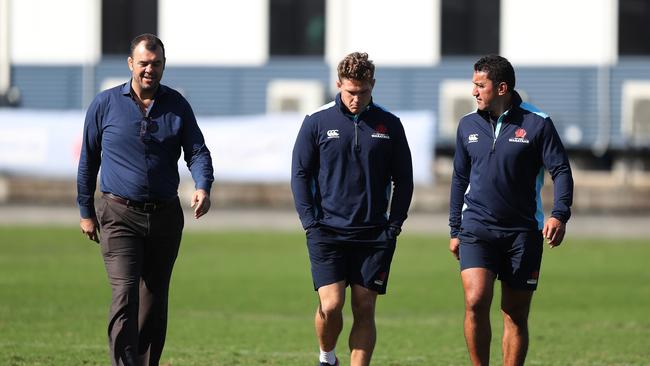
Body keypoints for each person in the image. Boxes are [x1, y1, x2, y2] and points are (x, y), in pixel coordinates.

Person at [77, 33, 214, 366]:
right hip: (118, 214)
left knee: (153, 299)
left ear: (164, 65)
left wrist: (202, 185)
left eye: (156, 64)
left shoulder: (177, 105)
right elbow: (88, 160)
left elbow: (196, 150)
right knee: (125, 295)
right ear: (130, 64)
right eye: (143, 64)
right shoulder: (105, 104)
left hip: (165, 217)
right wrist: (85, 211)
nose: (149, 70)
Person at [448, 55, 574, 365]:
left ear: (501, 87)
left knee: (514, 314)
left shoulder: (538, 123)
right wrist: (454, 229)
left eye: (480, 85)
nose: (474, 92)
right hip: (477, 229)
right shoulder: (467, 125)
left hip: (522, 232)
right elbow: (459, 179)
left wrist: (559, 213)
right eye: (473, 85)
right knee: (475, 300)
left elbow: (561, 171)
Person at [291, 52, 414, 366]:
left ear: (372, 85)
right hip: (327, 232)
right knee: (331, 306)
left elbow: (404, 180)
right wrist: (309, 221)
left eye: (363, 92)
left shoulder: (390, 125)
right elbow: (300, 174)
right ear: (338, 85)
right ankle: (327, 357)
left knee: (364, 306)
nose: (356, 99)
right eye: (350, 92)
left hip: (374, 234)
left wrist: (394, 225)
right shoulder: (316, 122)